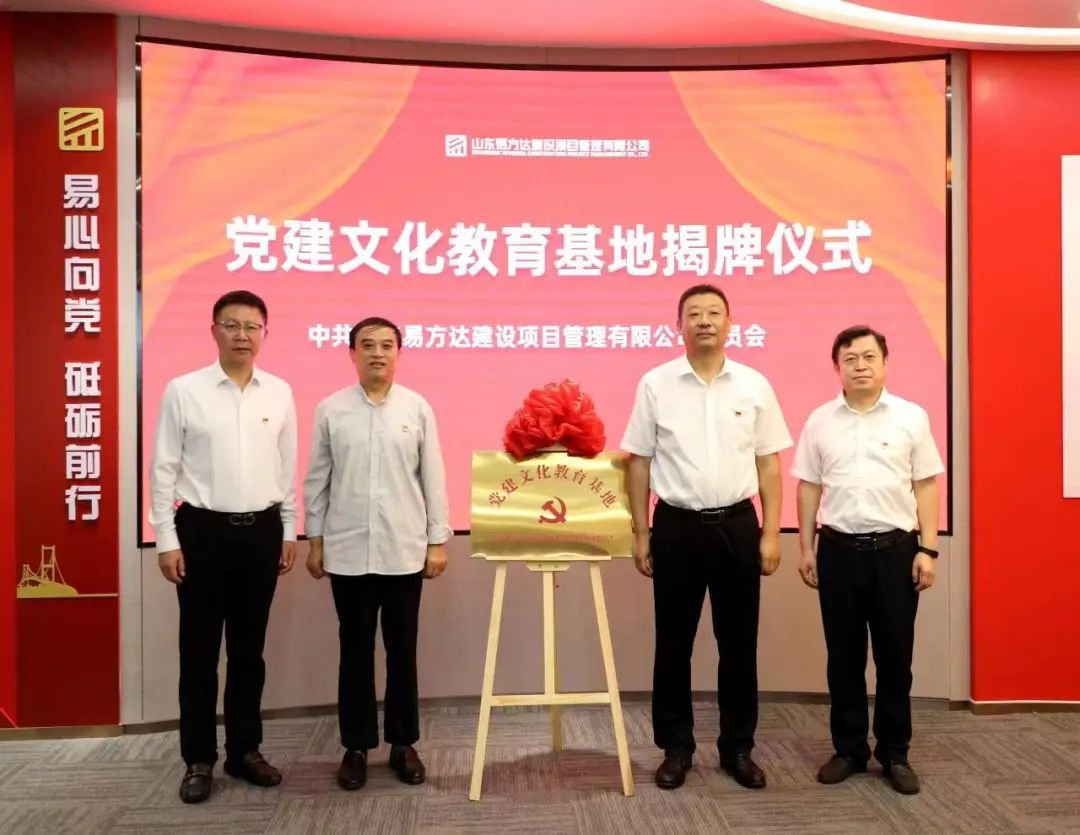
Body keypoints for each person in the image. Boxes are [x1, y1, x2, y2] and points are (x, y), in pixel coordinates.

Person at [621, 283, 792, 791]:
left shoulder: (754, 384)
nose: (704, 321)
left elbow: (769, 464)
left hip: (738, 527)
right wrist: (641, 532)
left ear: (730, 323)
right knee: (673, 644)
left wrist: (771, 533)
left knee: (738, 644)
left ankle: (738, 748)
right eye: (693, 313)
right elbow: (639, 462)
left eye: (714, 313)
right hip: (675, 526)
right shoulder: (656, 384)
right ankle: (676, 749)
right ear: (678, 325)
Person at [149, 289, 297, 804]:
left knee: (249, 653)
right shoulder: (184, 390)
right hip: (202, 533)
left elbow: (286, 467)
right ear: (213, 330)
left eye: (252, 326)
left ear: (264, 333)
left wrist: (289, 529)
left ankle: (244, 750)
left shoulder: (279, 392)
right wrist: (166, 539)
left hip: (261, 532)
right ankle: (198, 758)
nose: (242, 335)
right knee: (199, 653)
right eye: (231, 325)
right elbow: (164, 469)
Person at [792, 325, 943, 796]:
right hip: (838, 552)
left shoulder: (911, 417)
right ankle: (850, 749)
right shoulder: (820, 421)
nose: (860, 366)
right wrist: (806, 547)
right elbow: (808, 486)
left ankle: (895, 752)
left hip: (896, 552)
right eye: (850, 359)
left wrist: (928, 549)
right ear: (836, 366)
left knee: (896, 657)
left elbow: (925, 484)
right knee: (844, 657)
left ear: (885, 362)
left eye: (868, 357)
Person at [303, 316, 451, 791]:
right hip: (347, 551)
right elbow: (317, 479)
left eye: (387, 345)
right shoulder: (331, 409)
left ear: (398, 353)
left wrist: (437, 540)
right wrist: (315, 539)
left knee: (402, 651)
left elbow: (433, 477)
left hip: (403, 550)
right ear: (352, 354)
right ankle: (356, 746)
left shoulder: (417, 408)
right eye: (367, 345)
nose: (377, 354)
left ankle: (403, 744)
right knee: (355, 652)